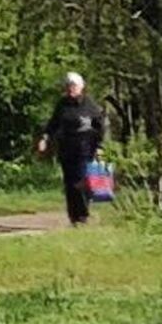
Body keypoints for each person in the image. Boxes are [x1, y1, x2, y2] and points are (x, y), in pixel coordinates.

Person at [36, 71, 106, 226]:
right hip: (67, 148)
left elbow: (100, 127)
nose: (70, 89)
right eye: (68, 85)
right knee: (69, 183)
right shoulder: (62, 105)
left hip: (85, 148)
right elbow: (53, 124)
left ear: (81, 87)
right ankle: (73, 217)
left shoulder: (89, 105)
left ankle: (83, 216)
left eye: (73, 86)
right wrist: (44, 139)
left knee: (80, 181)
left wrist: (100, 146)